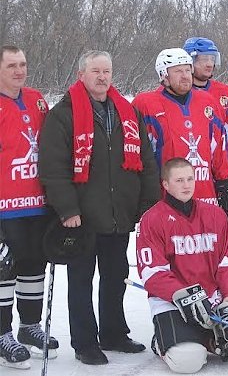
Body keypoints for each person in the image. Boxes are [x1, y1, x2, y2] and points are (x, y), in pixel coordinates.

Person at [39, 50, 160, 365]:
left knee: (115, 275)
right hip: (82, 215)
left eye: (106, 71)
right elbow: (52, 167)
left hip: (120, 211)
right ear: (82, 74)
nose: (102, 77)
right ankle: (84, 341)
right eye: (96, 71)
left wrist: (147, 203)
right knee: (81, 280)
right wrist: (66, 209)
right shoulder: (63, 114)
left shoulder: (126, 111)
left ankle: (114, 333)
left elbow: (146, 160)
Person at [136, 158, 228, 374]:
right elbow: (152, 273)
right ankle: (163, 341)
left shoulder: (215, 215)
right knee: (188, 362)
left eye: (190, 179)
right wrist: (181, 294)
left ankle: (211, 341)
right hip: (174, 302)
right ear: (165, 185)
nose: (186, 185)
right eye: (179, 180)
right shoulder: (152, 220)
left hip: (214, 297)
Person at [132, 48, 228, 244]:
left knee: (205, 251)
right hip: (166, 196)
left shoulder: (207, 101)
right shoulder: (146, 103)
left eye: (187, 70)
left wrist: (225, 183)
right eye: (178, 71)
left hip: (204, 193)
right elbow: (138, 152)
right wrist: (143, 192)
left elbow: (218, 146)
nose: (185, 76)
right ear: (163, 75)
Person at [0, 46, 58, 369]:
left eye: (22, 64)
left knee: (34, 266)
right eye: (11, 65)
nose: (19, 71)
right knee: (4, 269)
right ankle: (2, 333)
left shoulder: (37, 98)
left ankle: (29, 326)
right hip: (5, 206)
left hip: (37, 203)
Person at [182, 37, 228, 148]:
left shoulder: (225, 92)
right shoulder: (175, 94)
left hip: (221, 162)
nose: (209, 64)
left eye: (212, 59)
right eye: (204, 59)